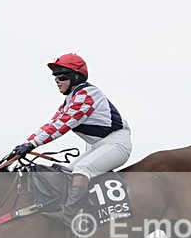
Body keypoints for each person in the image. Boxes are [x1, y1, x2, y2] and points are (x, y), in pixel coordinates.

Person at [7, 53, 132, 226]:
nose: (57, 81)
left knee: (81, 169)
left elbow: (60, 126)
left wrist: (31, 145)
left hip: (116, 143)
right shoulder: (70, 99)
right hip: (97, 146)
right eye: (55, 77)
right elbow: (52, 123)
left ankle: (69, 216)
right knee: (66, 172)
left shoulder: (86, 95)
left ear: (76, 77)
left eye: (62, 76)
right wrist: (26, 143)